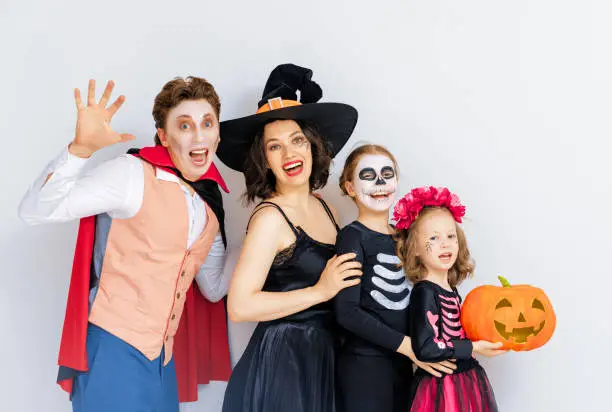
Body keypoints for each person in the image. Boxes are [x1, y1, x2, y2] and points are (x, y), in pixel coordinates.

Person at [18, 77, 232, 411]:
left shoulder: (209, 209)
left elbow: (215, 287)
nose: (199, 135)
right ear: (164, 135)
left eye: (207, 123)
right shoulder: (131, 175)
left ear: (218, 133)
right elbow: (34, 209)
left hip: (162, 361)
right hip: (112, 350)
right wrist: (81, 149)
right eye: (185, 125)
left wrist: (260, 236)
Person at [216, 63, 360, 412]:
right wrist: (320, 291)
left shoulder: (329, 210)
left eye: (297, 140)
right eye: (274, 147)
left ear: (312, 147)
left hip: (322, 360)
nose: (290, 154)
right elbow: (240, 307)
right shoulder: (269, 218)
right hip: (281, 365)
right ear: (264, 160)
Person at [334, 145, 457, 412]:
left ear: (396, 182)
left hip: (405, 364)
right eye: (368, 175)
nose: (380, 182)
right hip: (364, 366)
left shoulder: (406, 236)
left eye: (387, 174)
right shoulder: (352, 236)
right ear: (351, 187)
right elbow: (347, 311)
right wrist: (409, 347)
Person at [393, 186, 505, 411]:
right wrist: (473, 347)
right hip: (441, 388)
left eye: (450, 236)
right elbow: (426, 348)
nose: (445, 244)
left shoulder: (451, 288)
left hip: (466, 380)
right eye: (433, 238)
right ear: (414, 248)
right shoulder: (424, 292)